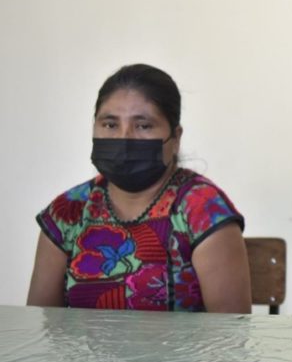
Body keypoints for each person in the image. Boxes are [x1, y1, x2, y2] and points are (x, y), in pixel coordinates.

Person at [27, 64, 252, 313]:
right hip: (84, 353)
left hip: (180, 354)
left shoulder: (203, 211)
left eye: (143, 125)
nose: (125, 138)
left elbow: (228, 341)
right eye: (110, 125)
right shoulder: (67, 213)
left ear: (175, 138)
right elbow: (41, 332)